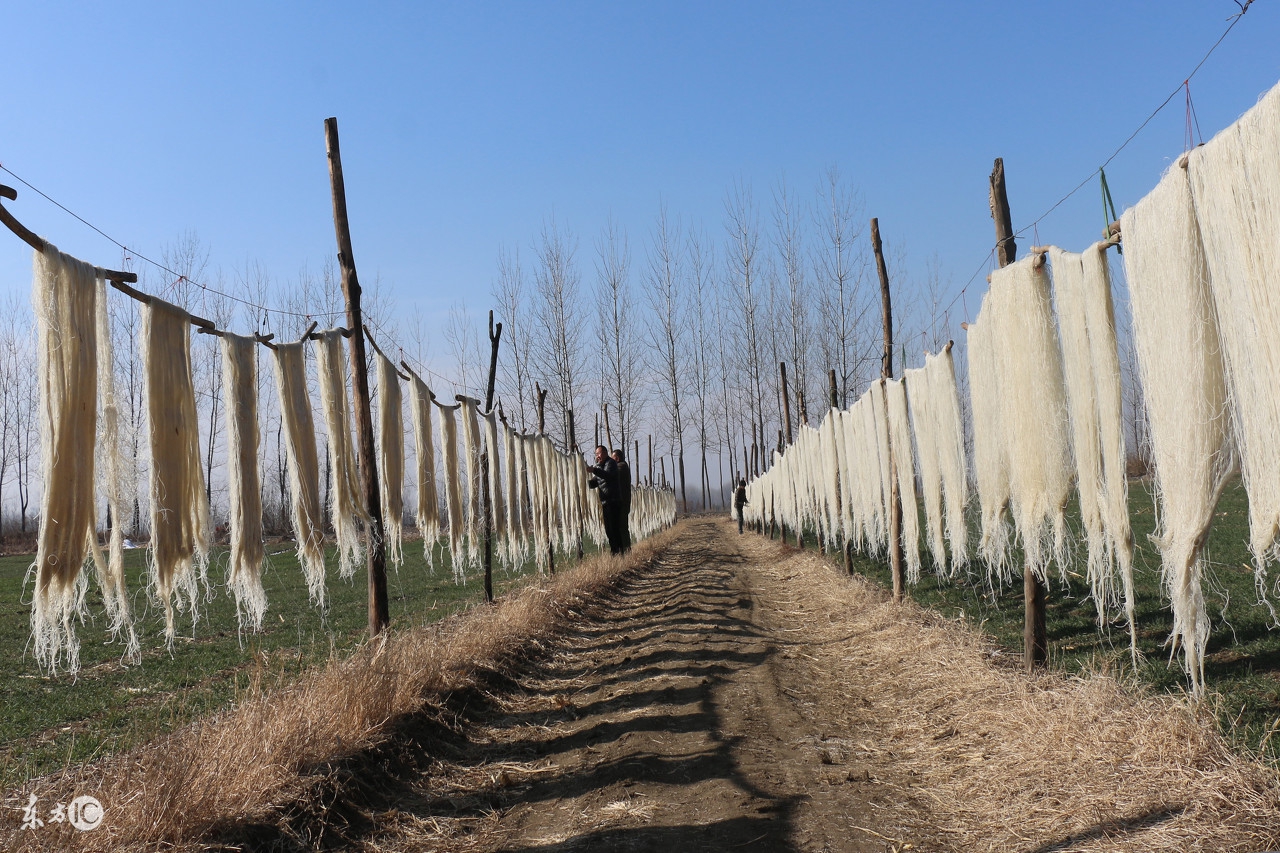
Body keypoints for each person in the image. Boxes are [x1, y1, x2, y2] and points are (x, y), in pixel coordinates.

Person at [586, 445, 625, 555]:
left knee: (614, 528)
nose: (597, 456)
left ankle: (619, 552)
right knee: (608, 529)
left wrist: (594, 469)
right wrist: (583, 477)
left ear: (605, 453)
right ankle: (615, 551)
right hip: (605, 502)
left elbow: (606, 476)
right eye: (596, 454)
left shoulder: (611, 463)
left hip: (613, 501)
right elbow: (594, 483)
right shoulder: (600, 466)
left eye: (599, 453)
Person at [611, 448, 632, 553]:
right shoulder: (622, 466)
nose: (610, 460)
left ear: (617, 458)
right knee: (620, 527)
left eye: (612, 458)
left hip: (622, 503)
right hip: (622, 502)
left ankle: (626, 550)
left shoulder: (622, 467)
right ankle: (623, 550)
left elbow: (612, 474)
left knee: (622, 527)